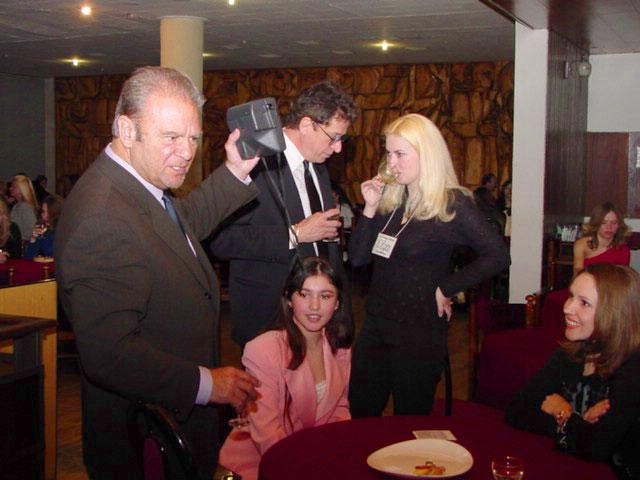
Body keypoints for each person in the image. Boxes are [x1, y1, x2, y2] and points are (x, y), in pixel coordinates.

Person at [55, 66, 261, 479]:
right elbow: (109, 354)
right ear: (126, 130)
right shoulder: (103, 217)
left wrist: (236, 170)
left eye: (193, 138)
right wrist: (208, 384)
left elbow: (179, 227)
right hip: (144, 439)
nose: (187, 152)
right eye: (171, 137)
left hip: (165, 428)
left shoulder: (135, 187)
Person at [348, 113, 509, 416]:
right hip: (376, 326)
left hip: (419, 331)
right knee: (361, 414)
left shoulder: (451, 204)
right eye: (388, 154)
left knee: (409, 420)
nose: (391, 163)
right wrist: (369, 208)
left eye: (400, 154)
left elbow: (498, 255)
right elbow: (358, 259)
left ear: (427, 154)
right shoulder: (391, 201)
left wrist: (447, 288)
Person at [211, 80, 358, 348]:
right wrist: (295, 234)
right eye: (334, 137)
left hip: (318, 322)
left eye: (342, 139)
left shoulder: (317, 164)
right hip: (268, 318)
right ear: (306, 125)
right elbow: (221, 240)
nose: (338, 147)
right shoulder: (253, 164)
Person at [218, 256, 353, 480]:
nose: (315, 306)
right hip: (259, 465)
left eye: (325, 296)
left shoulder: (340, 347)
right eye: (304, 294)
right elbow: (268, 436)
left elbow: (339, 410)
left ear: (337, 303)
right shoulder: (263, 350)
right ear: (289, 299)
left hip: (313, 457)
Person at [506, 264, 640, 479]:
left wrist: (563, 413)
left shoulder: (633, 369)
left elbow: (599, 448)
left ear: (616, 314)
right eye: (571, 296)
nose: (567, 308)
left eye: (584, 303)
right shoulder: (573, 351)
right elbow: (517, 411)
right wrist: (577, 424)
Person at [573, 202, 630, 277]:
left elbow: (624, 279)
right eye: (604, 223)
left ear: (619, 225)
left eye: (614, 223)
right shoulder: (582, 245)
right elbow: (577, 275)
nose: (609, 227)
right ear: (596, 223)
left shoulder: (623, 249)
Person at [24, 194, 63, 259]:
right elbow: (29, 257)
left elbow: (52, 252)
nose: (41, 214)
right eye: (42, 211)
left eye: (43, 211)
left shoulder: (62, 229)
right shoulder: (41, 227)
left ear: (53, 213)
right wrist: (33, 239)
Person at [9, 174, 38, 239]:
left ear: (21, 189)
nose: (10, 188)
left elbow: (33, 231)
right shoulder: (16, 205)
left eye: (13, 187)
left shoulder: (25, 208)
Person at [0, 198, 21, 263]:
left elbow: (16, 254)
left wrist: (5, 256)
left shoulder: (12, 228)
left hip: (9, 265)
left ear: (3, 215)